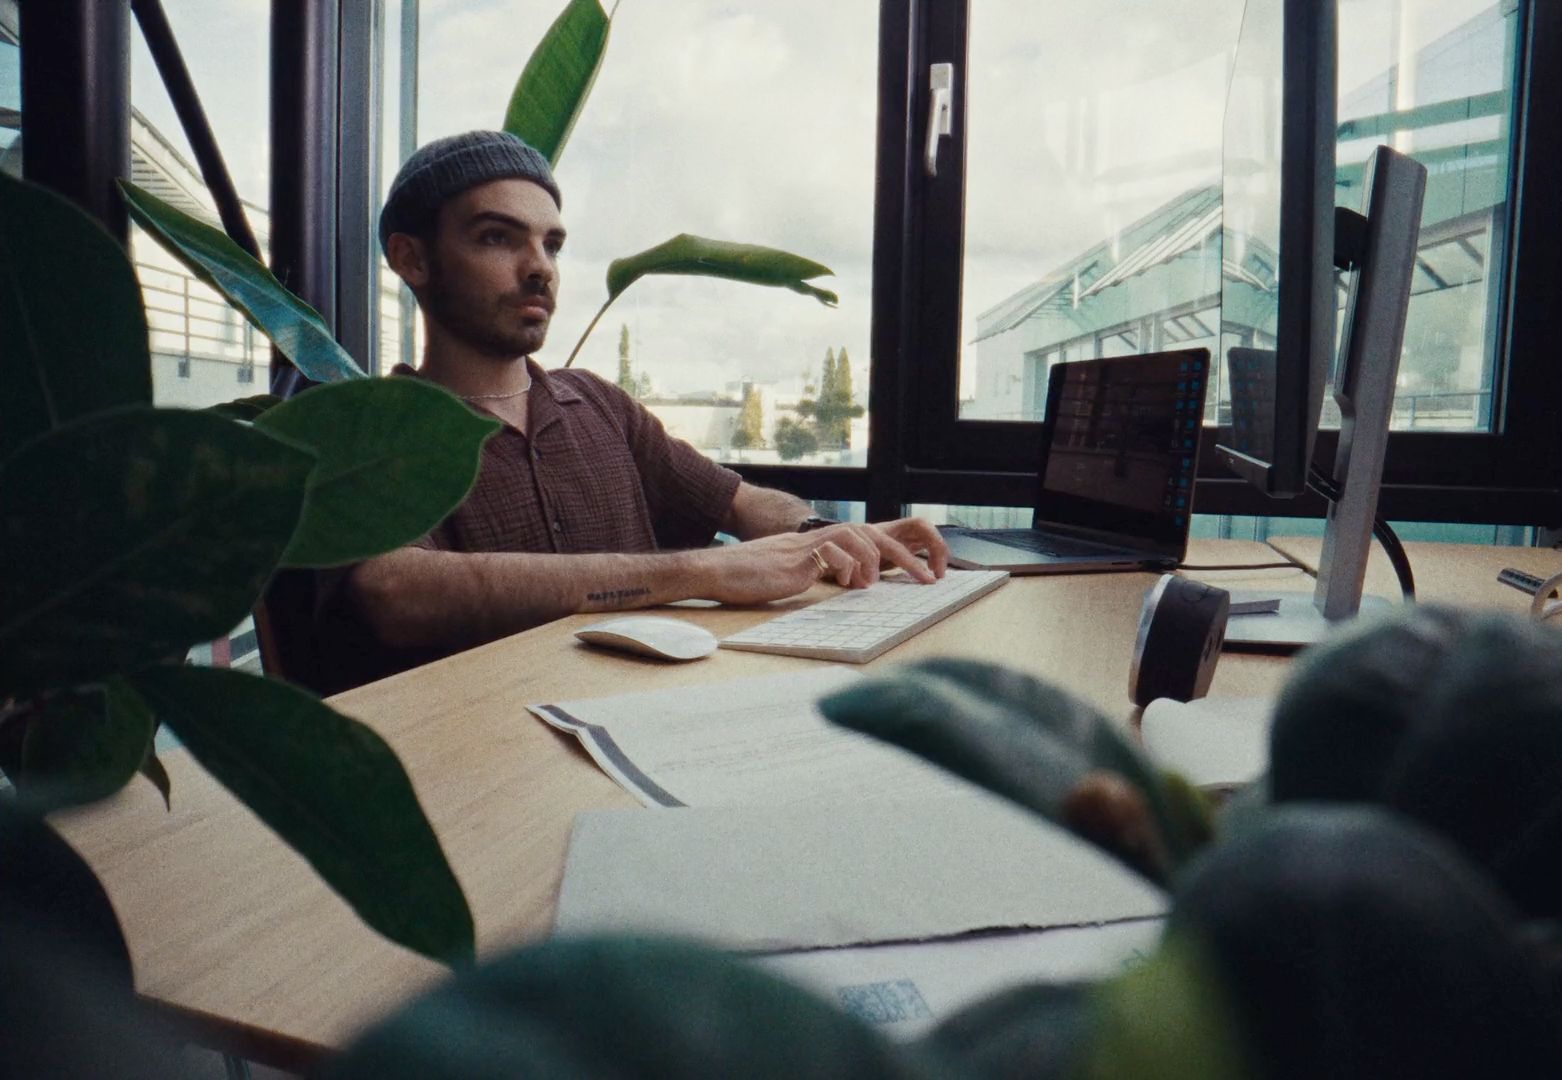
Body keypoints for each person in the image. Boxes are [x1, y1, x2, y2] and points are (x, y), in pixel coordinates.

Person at [320, 130, 948, 688]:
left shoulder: (597, 402)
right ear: (413, 258)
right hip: (486, 762)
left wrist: (828, 539)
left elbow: (738, 501)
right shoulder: (366, 430)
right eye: (496, 237)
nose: (539, 267)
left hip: (659, 718)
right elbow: (395, 590)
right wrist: (702, 572)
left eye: (552, 244)